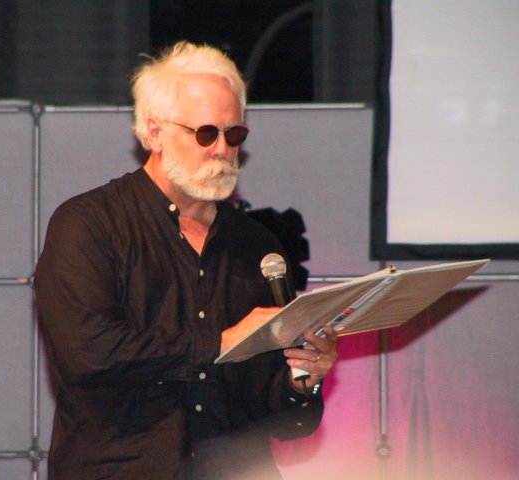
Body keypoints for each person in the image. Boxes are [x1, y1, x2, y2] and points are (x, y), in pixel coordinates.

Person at [34, 41, 338, 480]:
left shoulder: (256, 245)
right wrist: (221, 342)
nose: (222, 149)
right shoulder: (89, 224)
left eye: (234, 134)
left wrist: (302, 379)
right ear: (153, 132)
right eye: (206, 133)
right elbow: (89, 352)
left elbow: (287, 422)